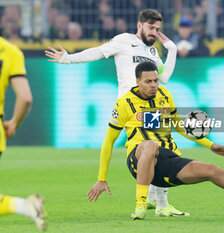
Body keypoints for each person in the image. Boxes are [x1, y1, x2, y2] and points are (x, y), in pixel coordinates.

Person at [87, 61, 224, 220]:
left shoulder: (165, 95)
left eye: (155, 80)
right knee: (150, 145)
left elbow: (178, 126)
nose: (154, 85)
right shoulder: (124, 104)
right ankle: (140, 205)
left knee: (212, 170)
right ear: (138, 81)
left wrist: (211, 144)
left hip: (167, 161)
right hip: (138, 159)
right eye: (148, 81)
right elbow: (108, 141)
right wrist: (101, 178)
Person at [44, 9, 182, 216]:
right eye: (151, 28)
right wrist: (68, 59)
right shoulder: (124, 41)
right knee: (157, 146)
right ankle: (157, 202)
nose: (154, 33)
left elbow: (164, 78)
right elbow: (98, 52)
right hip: (130, 106)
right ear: (139, 26)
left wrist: (172, 50)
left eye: (158, 29)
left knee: (164, 146)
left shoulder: (153, 53)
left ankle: (158, 202)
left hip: (150, 105)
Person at [0, 36, 46, 230]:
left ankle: (26, 206)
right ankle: (26, 206)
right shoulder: (10, 51)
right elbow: (26, 97)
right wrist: (14, 123)